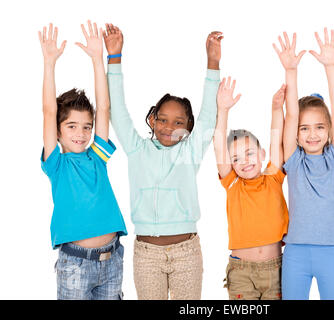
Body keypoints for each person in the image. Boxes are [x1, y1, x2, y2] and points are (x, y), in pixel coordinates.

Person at [104, 24, 221, 299]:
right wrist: (115, 58)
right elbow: (117, 111)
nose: (169, 127)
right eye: (163, 120)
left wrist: (213, 63)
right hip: (146, 254)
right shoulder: (136, 149)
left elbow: (208, 115)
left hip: (186, 253)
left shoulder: (190, 151)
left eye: (178, 122)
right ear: (153, 119)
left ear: (188, 127)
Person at [39, 21, 127, 300]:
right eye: (72, 126)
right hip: (75, 266)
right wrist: (50, 63)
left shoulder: (97, 157)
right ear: (57, 131)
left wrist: (97, 60)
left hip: (112, 260)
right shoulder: (56, 164)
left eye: (86, 127)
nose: (81, 133)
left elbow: (104, 107)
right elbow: (48, 109)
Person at [274, 29, 334, 300]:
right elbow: (291, 112)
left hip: (333, 251)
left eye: (319, 127)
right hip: (296, 252)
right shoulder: (293, 161)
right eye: (305, 128)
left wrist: (331, 66)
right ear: (295, 134)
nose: (312, 134)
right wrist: (290, 71)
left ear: (328, 130)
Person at [214, 77, 289, 300]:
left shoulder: (273, 177)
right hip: (241, 272)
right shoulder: (233, 183)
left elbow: (277, 140)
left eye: (249, 153)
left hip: (275, 270)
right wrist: (223, 110)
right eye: (236, 158)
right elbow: (219, 145)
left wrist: (277, 109)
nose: (245, 161)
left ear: (262, 154)